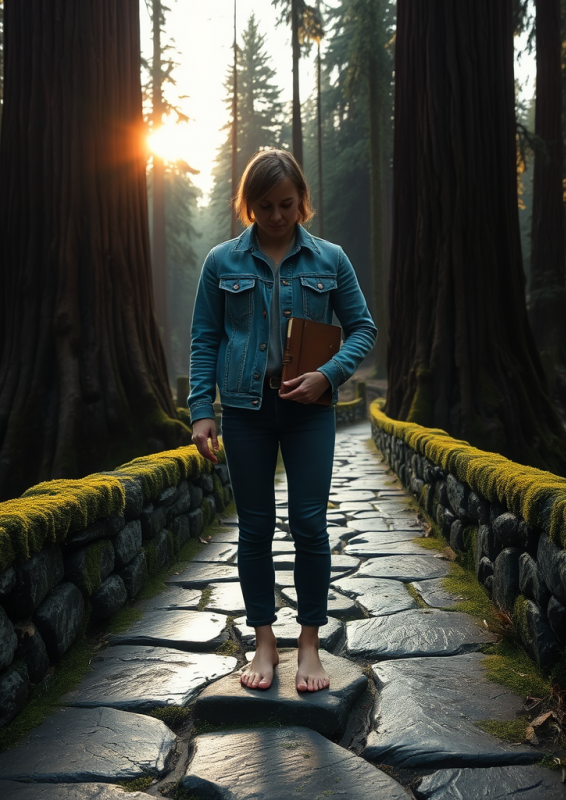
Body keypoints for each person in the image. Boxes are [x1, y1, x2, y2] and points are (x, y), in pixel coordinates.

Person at [188, 149, 376, 692]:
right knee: (255, 528)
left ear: (302, 202)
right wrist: (202, 412)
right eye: (264, 206)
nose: (276, 216)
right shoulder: (221, 262)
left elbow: (362, 328)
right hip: (245, 411)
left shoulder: (330, 259)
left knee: (311, 524)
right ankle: (264, 640)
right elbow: (205, 339)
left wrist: (328, 375)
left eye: (287, 204)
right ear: (248, 205)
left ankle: (309, 643)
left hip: (308, 410)